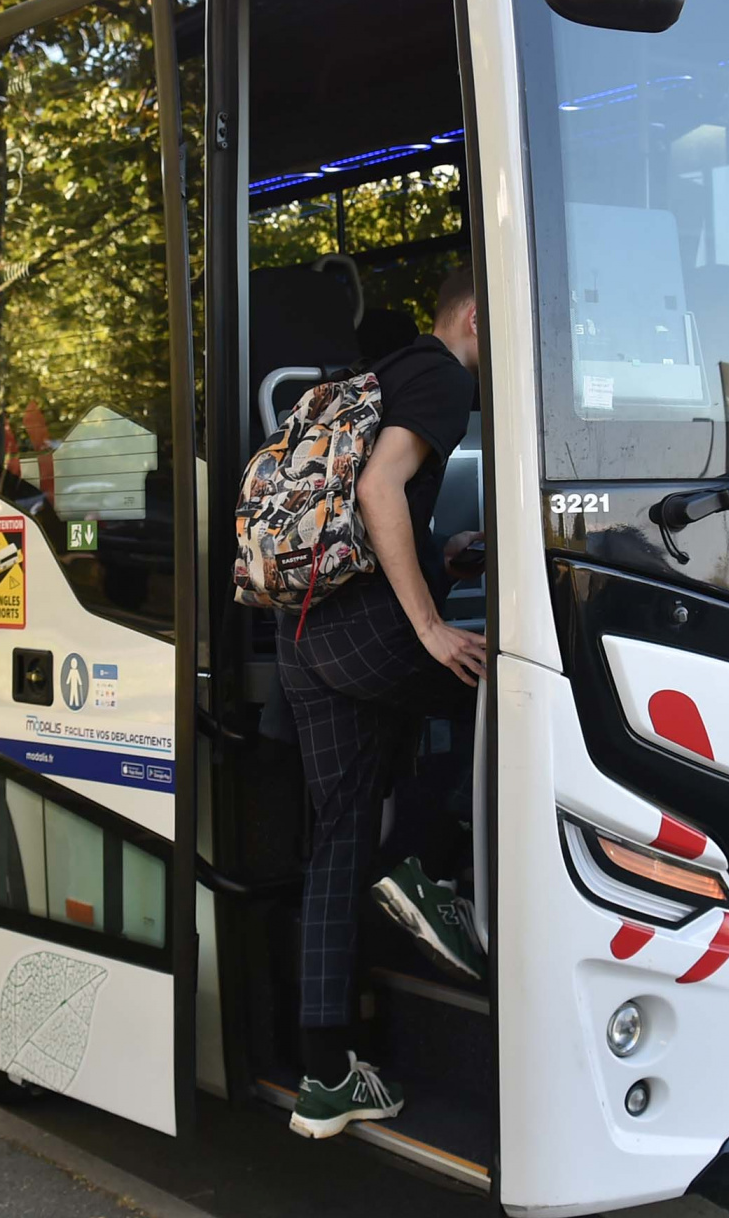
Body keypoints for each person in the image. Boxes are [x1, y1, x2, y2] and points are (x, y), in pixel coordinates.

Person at [279, 267, 486, 1140]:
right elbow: (378, 490)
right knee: (507, 692)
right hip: (367, 628)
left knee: (338, 838)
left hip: (303, 628)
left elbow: (376, 505)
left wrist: (450, 553)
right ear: (477, 315)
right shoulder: (444, 373)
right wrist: (434, 624)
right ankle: (424, 866)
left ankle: (327, 1076)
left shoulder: (379, 372)